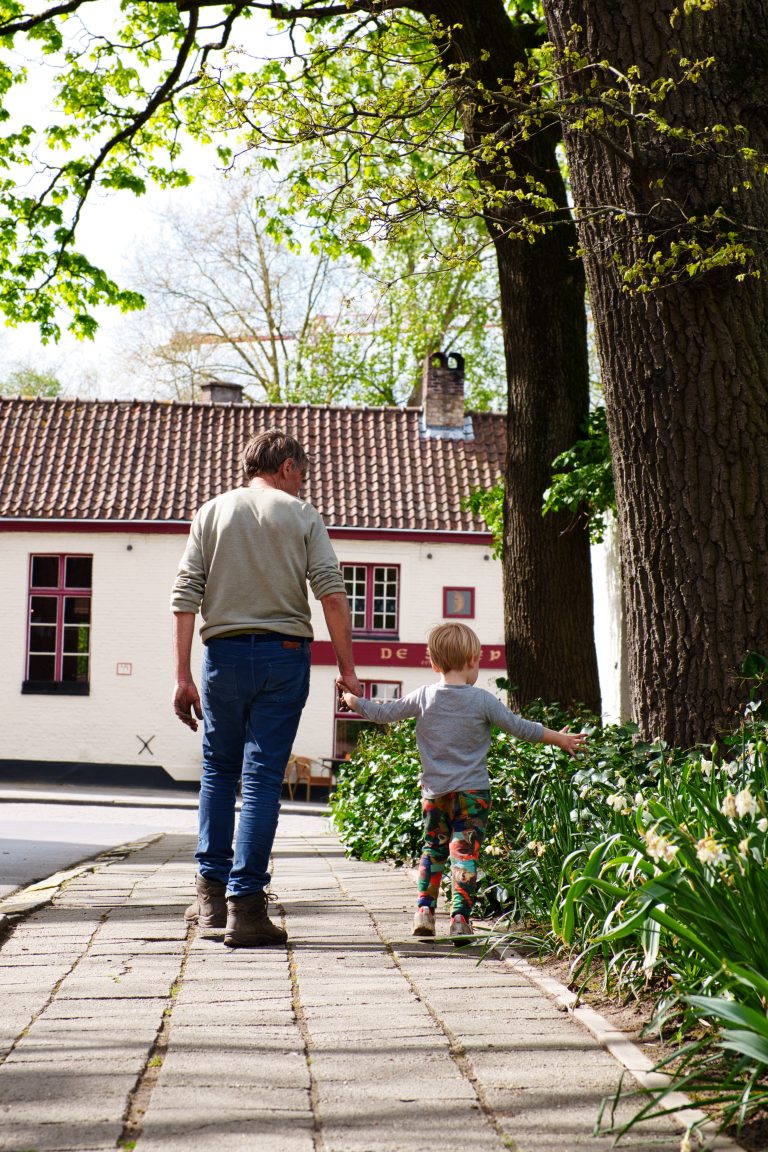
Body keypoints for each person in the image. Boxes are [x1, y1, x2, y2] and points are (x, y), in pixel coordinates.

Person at [171, 429, 362, 948]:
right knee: (259, 780)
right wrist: (347, 669)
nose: (303, 483)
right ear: (284, 468)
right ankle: (246, 907)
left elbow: (185, 595)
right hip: (284, 657)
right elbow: (332, 595)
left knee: (218, 770)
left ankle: (210, 897)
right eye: (301, 472)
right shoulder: (301, 516)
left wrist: (182, 675)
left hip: (223, 656)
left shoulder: (210, 513)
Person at [342, 621, 587, 940]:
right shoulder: (482, 701)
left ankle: (425, 912)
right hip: (473, 794)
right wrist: (559, 739)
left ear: (433, 663)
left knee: (434, 850)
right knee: (464, 853)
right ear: (473, 661)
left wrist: (354, 701)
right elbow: (520, 728)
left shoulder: (424, 697)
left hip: (435, 794)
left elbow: (384, 712)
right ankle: (460, 919)